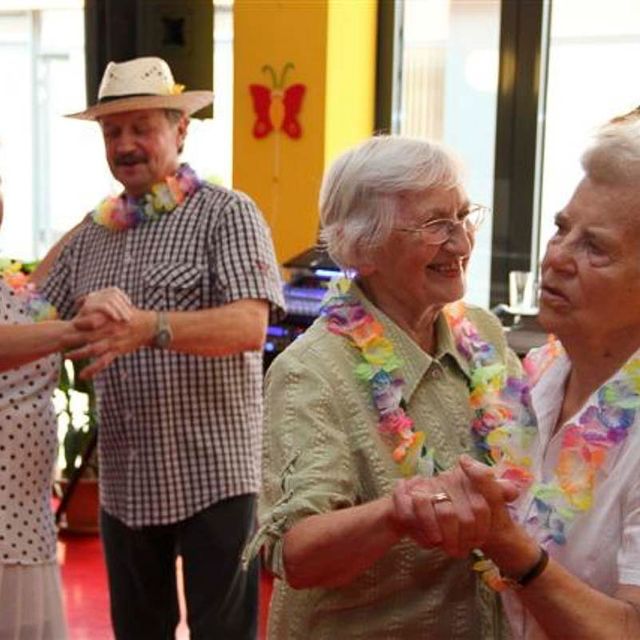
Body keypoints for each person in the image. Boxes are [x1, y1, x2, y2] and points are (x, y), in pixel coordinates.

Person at [40, 56, 284, 639]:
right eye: (111, 132)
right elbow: (30, 312)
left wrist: (149, 327)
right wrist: (77, 232)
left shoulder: (228, 214)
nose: (124, 144)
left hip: (214, 476)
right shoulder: (93, 234)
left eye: (140, 127)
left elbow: (249, 327)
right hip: (126, 483)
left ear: (181, 129)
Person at [246, 135, 522, 639]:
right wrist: (400, 513)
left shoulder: (482, 334)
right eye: (436, 225)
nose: (461, 243)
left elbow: (532, 458)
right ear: (362, 248)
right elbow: (295, 553)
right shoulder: (311, 371)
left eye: (462, 217)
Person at [453, 113, 640, 638]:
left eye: (594, 247)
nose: (556, 257)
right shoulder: (534, 379)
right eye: (561, 228)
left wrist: (512, 551)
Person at [0, 177, 119, 639]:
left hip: (26, 521)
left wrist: (113, 210)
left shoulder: (12, 290)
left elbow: (38, 294)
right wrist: (77, 330)